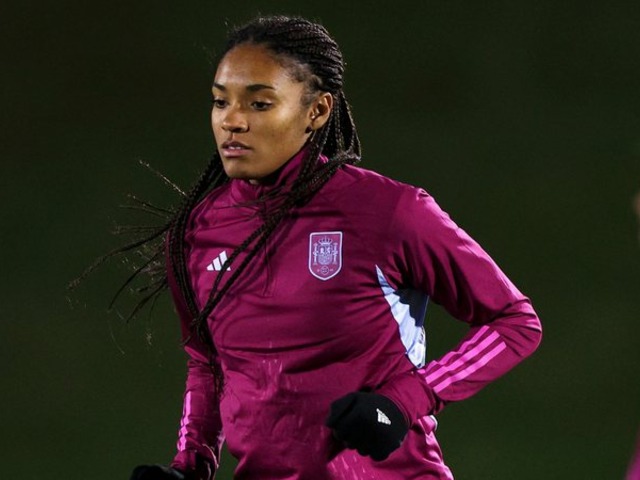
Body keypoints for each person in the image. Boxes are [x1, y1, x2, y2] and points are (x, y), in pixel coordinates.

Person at [126, 15, 542, 480]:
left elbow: (514, 322)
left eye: (259, 103)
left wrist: (404, 401)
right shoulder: (197, 232)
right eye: (220, 101)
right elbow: (208, 363)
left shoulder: (388, 212)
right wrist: (191, 464)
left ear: (318, 111)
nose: (232, 121)